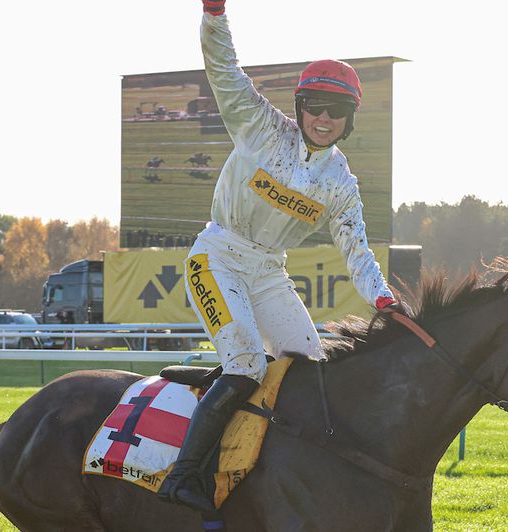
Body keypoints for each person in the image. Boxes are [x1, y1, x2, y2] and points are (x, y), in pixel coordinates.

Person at [157, 0, 404, 513]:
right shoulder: (260, 127)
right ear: (299, 107)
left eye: (336, 111)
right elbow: (223, 68)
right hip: (217, 257)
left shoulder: (340, 182)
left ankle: (281, 474)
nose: (323, 118)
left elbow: (356, 251)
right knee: (247, 362)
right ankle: (182, 477)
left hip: (269, 272)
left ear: (349, 119)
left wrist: (383, 298)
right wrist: (215, 14)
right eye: (314, 105)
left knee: (311, 370)